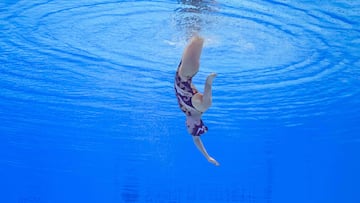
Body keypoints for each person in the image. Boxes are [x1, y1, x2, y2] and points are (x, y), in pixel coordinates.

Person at [174, 35, 219, 166]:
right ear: (197, 122)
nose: (186, 124)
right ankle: (205, 18)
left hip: (181, 71)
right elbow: (208, 91)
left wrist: (207, 157)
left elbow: (196, 139)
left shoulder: (188, 112)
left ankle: (198, 17)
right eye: (188, 125)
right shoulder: (200, 107)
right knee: (198, 37)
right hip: (187, 72)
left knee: (192, 37)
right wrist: (209, 81)